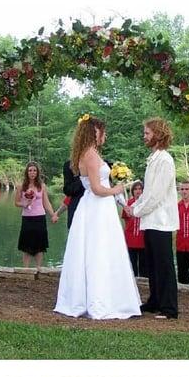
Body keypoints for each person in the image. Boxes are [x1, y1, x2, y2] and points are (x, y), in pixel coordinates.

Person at [55, 115, 141, 320]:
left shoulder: (87, 153)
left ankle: (100, 296)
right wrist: (118, 189)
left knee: (98, 249)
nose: (106, 135)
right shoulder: (91, 155)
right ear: (95, 132)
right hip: (97, 207)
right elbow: (96, 189)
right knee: (100, 250)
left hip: (94, 207)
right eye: (103, 131)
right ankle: (103, 299)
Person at [124, 117, 180, 319]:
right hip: (151, 221)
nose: (144, 136)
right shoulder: (154, 159)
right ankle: (155, 300)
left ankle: (170, 308)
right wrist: (135, 206)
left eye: (147, 133)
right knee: (153, 264)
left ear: (157, 134)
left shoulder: (165, 160)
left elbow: (156, 195)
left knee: (164, 265)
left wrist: (136, 211)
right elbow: (147, 193)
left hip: (161, 222)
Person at [15, 161, 58, 269]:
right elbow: (16, 202)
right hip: (27, 218)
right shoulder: (21, 186)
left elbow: (46, 202)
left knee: (40, 244)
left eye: (34, 170)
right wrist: (24, 204)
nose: (32, 173)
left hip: (40, 217)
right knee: (27, 244)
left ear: (37, 172)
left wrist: (53, 214)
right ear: (27, 172)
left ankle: (38, 268)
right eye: (30, 170)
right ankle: (26, 269)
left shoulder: (42, 186)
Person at [121, 181, 147, 277]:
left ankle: (144, 286)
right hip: (130, 238)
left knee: (144, 265)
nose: (138, 191)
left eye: (140, 189)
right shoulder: (128, 203)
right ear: (132, 191)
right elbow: (125, 220)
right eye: (135, 189)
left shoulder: (146, 203)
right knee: (131, 264)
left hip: (143, 238)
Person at [62, 160, 84, 229]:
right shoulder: (69, 165)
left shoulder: (102, 163)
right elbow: (67, 190)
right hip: (76, 209)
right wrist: (83, 178)